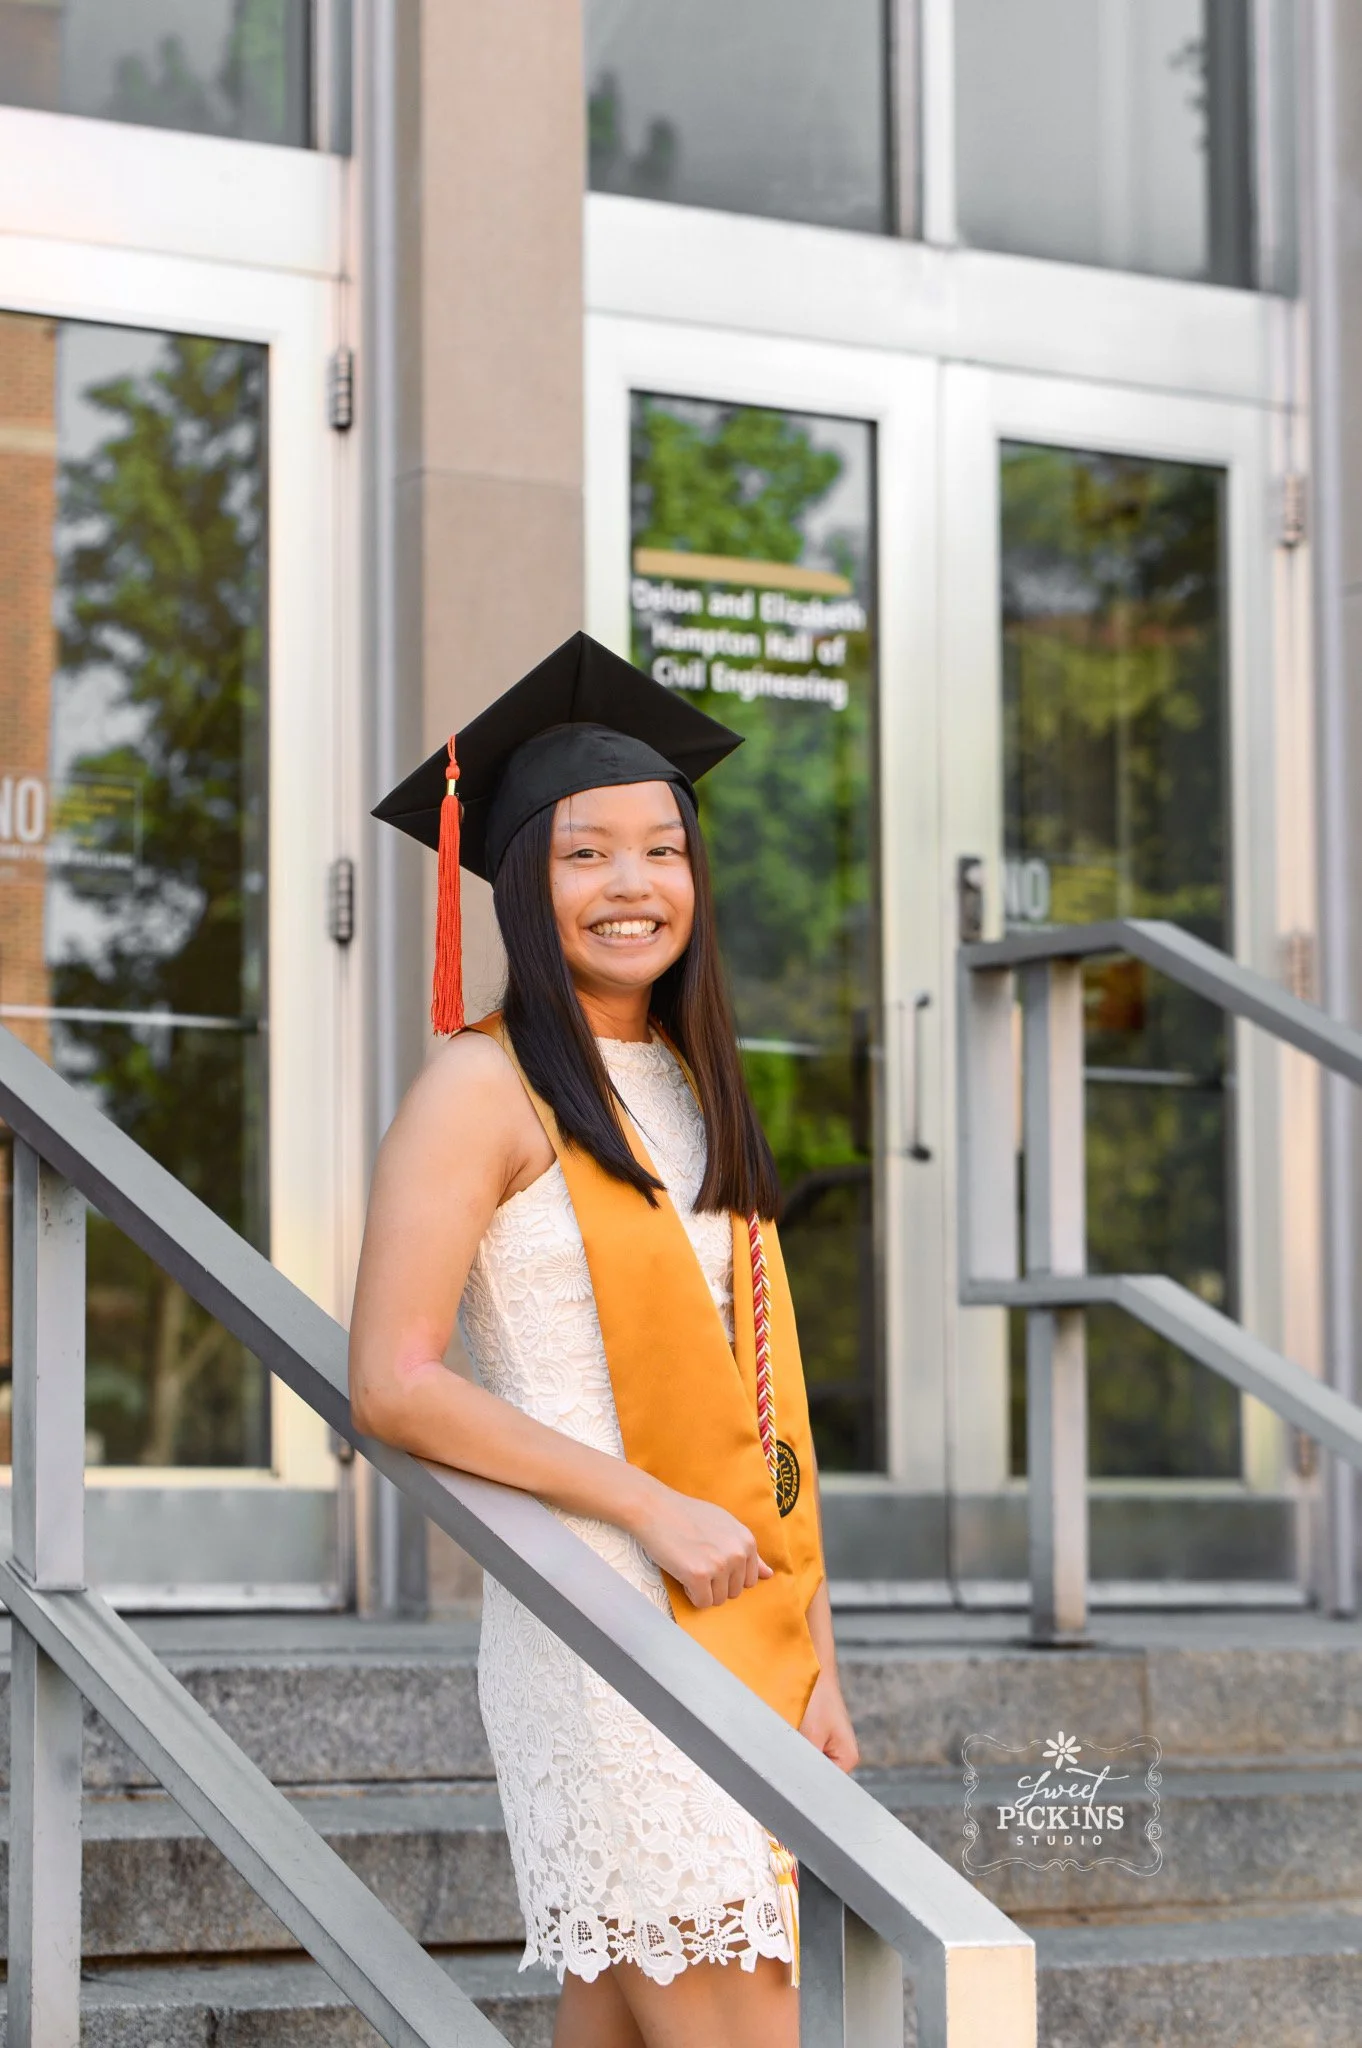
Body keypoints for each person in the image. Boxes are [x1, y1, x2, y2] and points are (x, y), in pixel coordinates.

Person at [349, 632, 859, 2048]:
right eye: (584, 855)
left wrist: (818, 1651)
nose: (632, 887)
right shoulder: (480, 1089)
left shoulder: (695, 1091)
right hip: (605, 1625)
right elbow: (392, 1381)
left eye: (660, 851)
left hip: (731, 1615)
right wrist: (650, 1508)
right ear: (518, 877)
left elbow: (760, 1398)